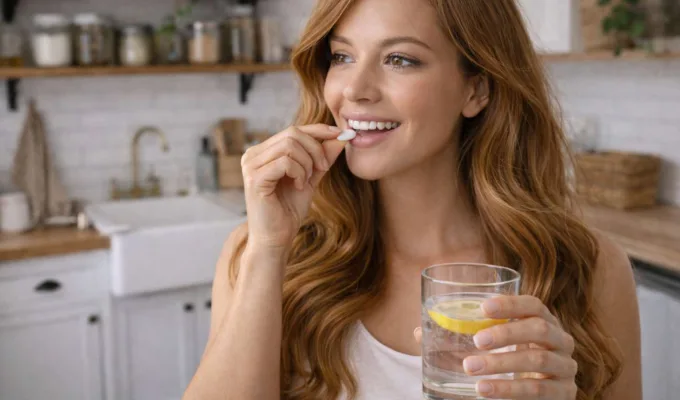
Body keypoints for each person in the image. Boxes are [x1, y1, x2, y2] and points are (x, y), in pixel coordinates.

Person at [183, 0, 641, 399]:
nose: (355, 90)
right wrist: (268, 251)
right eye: (342, 56)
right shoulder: (262, 252)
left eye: (400, 59)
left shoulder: (592, 267)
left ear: (476, 89)